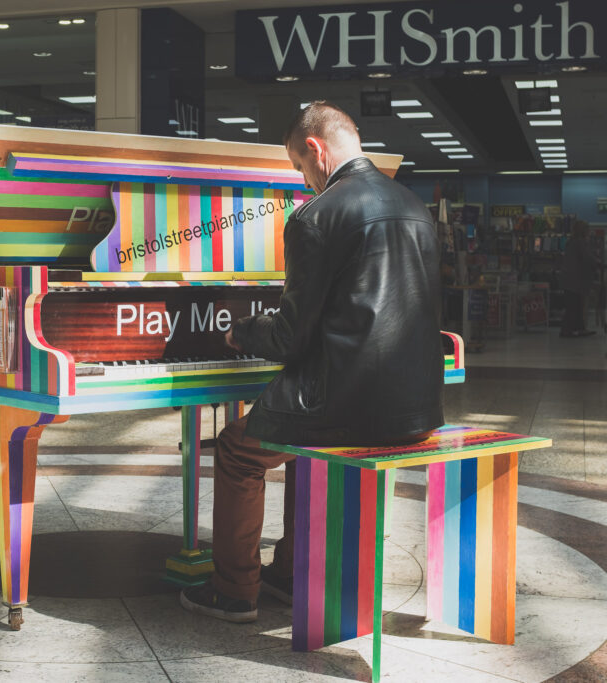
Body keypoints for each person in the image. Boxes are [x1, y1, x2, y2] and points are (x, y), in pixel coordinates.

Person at [180, 101, 444, 623]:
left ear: (315, 149)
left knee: (236, 450)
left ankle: (234, 590)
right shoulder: (414, 205)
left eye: (300, 167)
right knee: (297, 444)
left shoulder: (316, 217)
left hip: (345, 406)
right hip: (417, 407)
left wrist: (241, 331)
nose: (304, 181)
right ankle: (291, 572)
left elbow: (289, 338)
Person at [559, 220, 598, 338]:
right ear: (583, 230)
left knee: (574, 305)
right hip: (575, 280)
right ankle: (568, 330)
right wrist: (599, 263)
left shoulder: (571, 242)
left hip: (569, 279)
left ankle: (578, 329)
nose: (589, 231)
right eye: (587, 229)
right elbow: (587, 258)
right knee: (575, 306)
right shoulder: (580, 242)